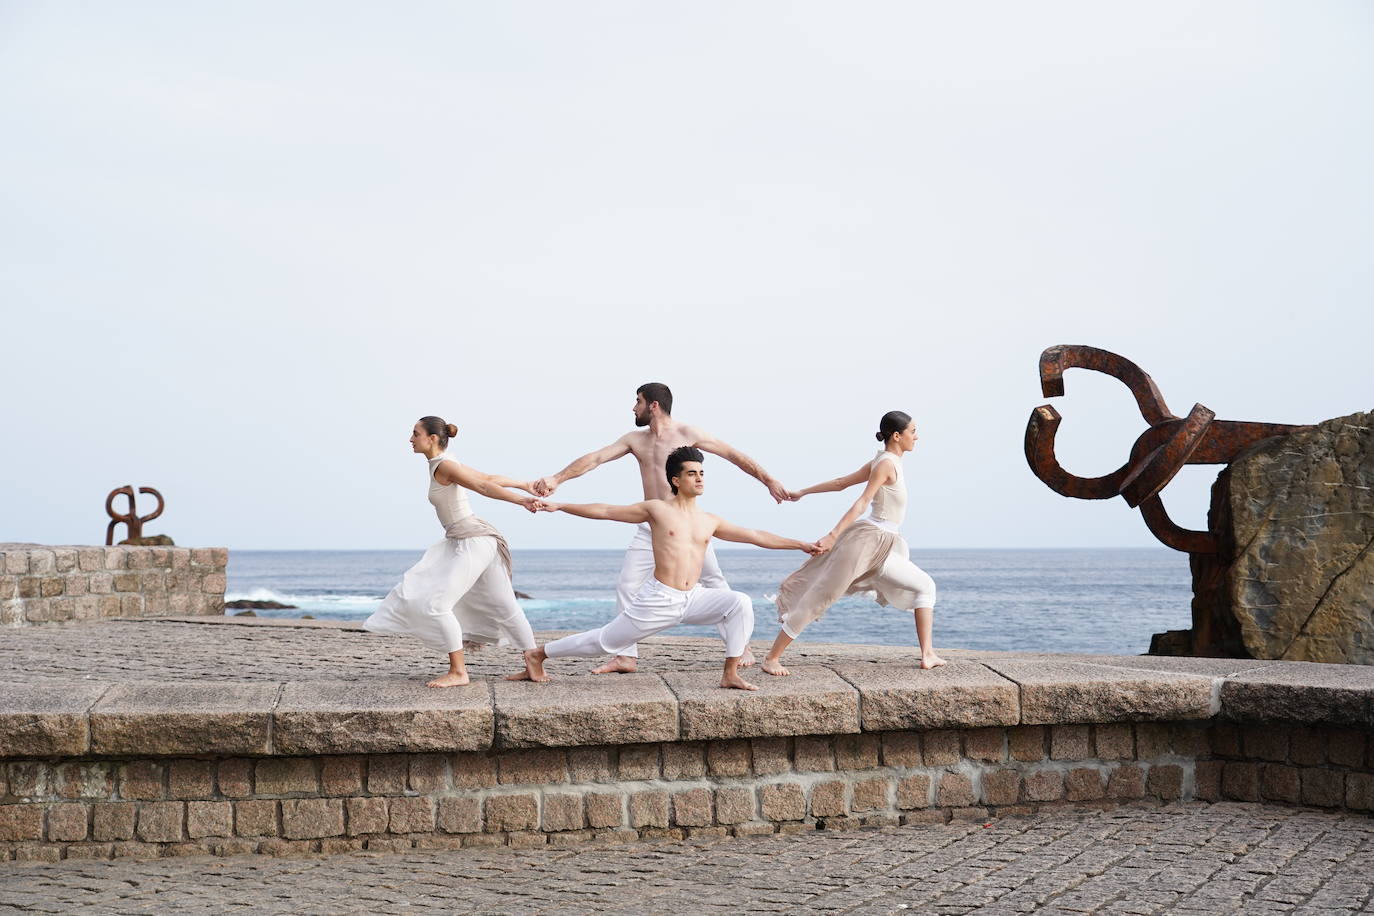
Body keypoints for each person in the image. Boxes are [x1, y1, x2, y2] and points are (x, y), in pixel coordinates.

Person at [531, 382, 789, 673]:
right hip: (650, 524)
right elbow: (595, 458)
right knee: (627, 584)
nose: (633, 408)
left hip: (685, 527)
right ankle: (626, 656)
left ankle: (739, 646)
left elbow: (734, 455)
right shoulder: (635, 440)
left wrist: (769, 480)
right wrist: (557, 478)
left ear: (653, 405)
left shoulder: (689, 434)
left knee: (714, 580)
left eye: (637, 401)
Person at [510, 447, 819, 690]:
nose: (699, 479)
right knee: (606, 641)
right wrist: (561, 505)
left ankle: (730, 674)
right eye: (691, 474)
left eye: (701, 473)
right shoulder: (657, 510)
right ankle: (537, 655)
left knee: (738, 602)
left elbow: (756, 536)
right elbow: (606, 510)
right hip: (660, 599)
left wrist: (800, 544)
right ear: (676, 480)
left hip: (694, 598)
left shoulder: (709, 520)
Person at [364, 416, 543, 687]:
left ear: (432, 438)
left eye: (415, 433)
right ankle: (533, 665)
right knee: (505, 605)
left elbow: (483, 485)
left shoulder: (445, 465)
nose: (410, 439)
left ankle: (459, 672)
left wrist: (522, 498)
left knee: (436, 604)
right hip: (472, 539)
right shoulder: (444, 462)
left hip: (473, 540)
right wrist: (524, 484)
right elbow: (487, 478)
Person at [763, 411, 945, 674]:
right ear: (897, 436)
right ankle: (772, 658)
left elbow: (840, 483)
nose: (916, 436)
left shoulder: (886, 461)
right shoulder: (885, 464)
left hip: (884, 544)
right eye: (913, 431)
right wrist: (833, 535)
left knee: (925, 587)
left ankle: (928, 654)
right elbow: (860, 501)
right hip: (868, 542)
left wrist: (802, 492)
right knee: (820, 597)